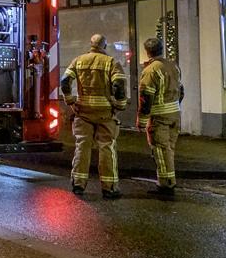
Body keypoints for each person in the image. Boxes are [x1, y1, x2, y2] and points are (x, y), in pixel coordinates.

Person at [61, 34, 128, 199]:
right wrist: (120, 106)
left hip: (83, 112)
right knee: (107, 147)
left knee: (82, 146)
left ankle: (78, 184)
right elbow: (119, 85)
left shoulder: (78, 60)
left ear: (91, 45)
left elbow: (65, 81)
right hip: (105, 113)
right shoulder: (111, 62)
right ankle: (109, 187)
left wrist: (70, 101)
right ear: (104, 46)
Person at [137, 38, 183, 197]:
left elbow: (146, 97)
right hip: (174, 115)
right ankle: (169, 182)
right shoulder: (173, 66)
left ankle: (166, 186)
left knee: (161, 151)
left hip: (159, 117)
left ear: (147, 51)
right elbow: (181, 90)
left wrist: (142, 120)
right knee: (169, 149)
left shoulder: (151, 70)